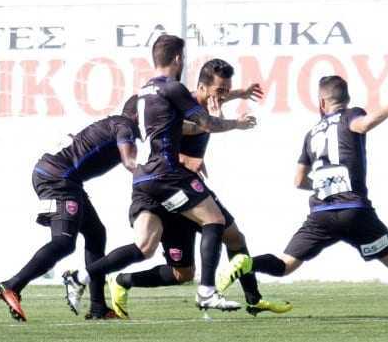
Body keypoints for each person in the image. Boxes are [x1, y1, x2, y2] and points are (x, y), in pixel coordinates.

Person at [218, 75, 388, 325]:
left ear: (322, 102)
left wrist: (324, 185)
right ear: (346, 99)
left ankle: (247, 262)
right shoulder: (351, 115)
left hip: (321, 214)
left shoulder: (311, 133)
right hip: (355, 212)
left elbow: (298, 181)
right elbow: (365, 123)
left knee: (285, 265)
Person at [62, 35, 256, 313]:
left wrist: (233, 97)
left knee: (144, 246)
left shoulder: (144, 92)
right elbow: (206, 122)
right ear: (178, 59)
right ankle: (206, 292)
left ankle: (80, 277)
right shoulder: (172, 88)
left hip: (144, 177)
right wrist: (236, 124)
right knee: (214, 219)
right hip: (167, 173)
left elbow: (183, 126)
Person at [105, 59, 292, 318]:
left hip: (189, 187)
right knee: (187, 259)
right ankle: (125, 281)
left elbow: (213, 103)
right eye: (220, 90)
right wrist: (227, 124)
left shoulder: (206, 99)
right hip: (174, 190)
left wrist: (240, 93)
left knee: (225, 244)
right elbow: (192, 129)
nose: (223, 95)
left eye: (227, 89)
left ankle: (253, 299)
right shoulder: (182, 112)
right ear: (201, 88)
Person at [0, 103, 139, 321]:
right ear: (139, 113)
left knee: (96, 233)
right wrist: (153, 177)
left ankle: (98, 307)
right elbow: (129, 162)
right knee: (63, 242)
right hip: (58, 178)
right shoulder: (125, 126)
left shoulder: (116, 123)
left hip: (61, 177)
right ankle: (12, 285)